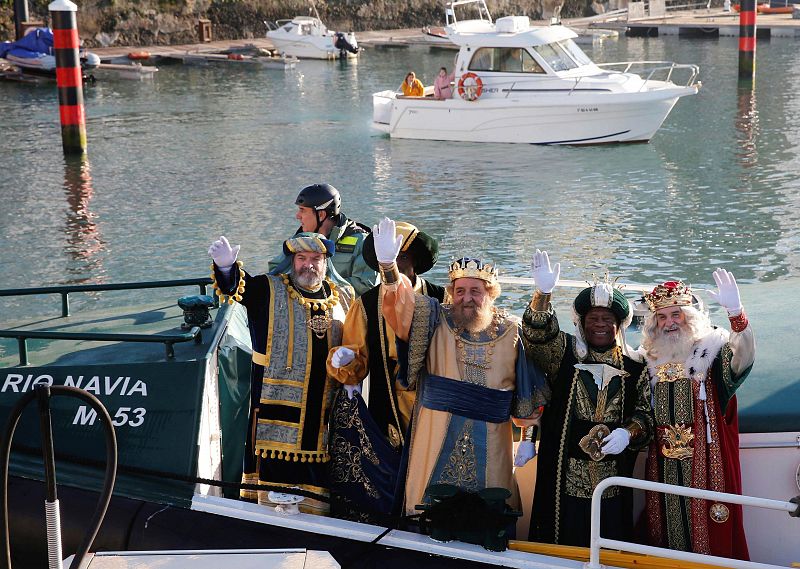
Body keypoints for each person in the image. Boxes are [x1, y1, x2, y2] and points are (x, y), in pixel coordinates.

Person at [371, 217, 548, 519]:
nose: (467, 298)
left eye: (476, 291)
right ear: (452, 293)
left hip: (494, 438)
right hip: (435, 431)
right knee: (429, 514)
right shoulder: (431, 317)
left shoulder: (513, 332)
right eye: (461, 290)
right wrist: (389, 266)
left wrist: (543, 297)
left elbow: (529, 399)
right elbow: (398, 307)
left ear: (490, 294)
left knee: (488, 514)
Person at [209, 232, 355, 515]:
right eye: (302, 258)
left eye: (316, 259)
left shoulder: (342, 297)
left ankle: (316, 511)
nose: (308, 265)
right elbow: (237, 287)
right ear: (292, 261)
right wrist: (227, 268)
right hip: (276, 397)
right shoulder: (269, 288)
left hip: (323, 400)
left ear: (326, 263)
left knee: (319, 461)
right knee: (276, 466)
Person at [521, 250, 653, 547]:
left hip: (612, 478)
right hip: (565, 473)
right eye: (593, 318)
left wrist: (627, 433)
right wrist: (543, 295)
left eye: (607, 318)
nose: (600, 324)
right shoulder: (565, 353)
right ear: (582, 322)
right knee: (565, 534)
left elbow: (646, 415)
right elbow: (537, 337)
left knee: (608, 540)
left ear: (619, 324)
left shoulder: (636, 366)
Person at [325, 221, 445, 522]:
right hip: (387, 400)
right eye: (386, 259)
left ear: (414, 260)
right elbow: (357, 360)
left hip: (433, 399)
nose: (393, 264)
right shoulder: (365, 304)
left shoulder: (442, 298)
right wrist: (345, 360)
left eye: (400, 257)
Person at [639, 271, 754, 560]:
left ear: (689, 315)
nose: (670, 323)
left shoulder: (713, 351)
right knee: (665, 526)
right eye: (662, 318)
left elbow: (743, 359)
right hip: (662, 461)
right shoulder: (649, 359)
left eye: (676, 314)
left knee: (710, 528)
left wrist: (736, 314)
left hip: (706, 459)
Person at [269, 183, 376, 297]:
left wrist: (316, 286)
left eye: (302, 210)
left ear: (321, 214)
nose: (298, 216)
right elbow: (275, 271)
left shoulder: (362, 242)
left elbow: (367, 288)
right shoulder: (300, 239)